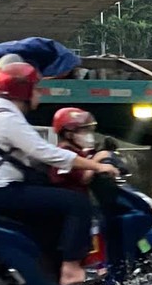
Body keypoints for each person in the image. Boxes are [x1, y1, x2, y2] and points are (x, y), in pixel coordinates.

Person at [0, 61, 120, 285]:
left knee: (54, 206)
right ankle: (70, 271)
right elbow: (46, 153)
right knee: (77, 203)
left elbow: (33, 156)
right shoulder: (7, 119)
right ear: (23, 91)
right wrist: (96, 166)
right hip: (2, 191)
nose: (40, 93)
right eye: (36, 88)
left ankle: (49, 268)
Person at [50, 107, 126, 271]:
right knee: (95, 225)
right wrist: (98, 161)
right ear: (69, 134)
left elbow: (90, 157)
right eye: (84, 131)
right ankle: (93, 266)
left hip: (81, 204)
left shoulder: (77, 152)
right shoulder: (62, 154)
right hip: (72, 209)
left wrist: (102, 154)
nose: (88, 135)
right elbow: (83, 178)